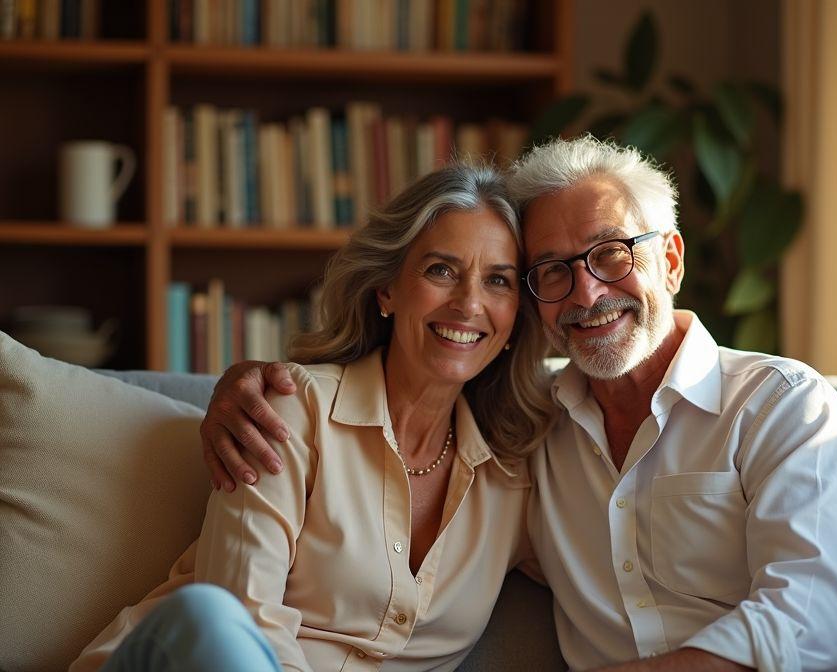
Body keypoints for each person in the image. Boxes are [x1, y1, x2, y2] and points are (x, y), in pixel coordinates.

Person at [203, 137, 837, 672]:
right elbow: (229, 623)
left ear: (670, 261)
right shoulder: (530, 436)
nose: (585, 295)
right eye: (552, 270)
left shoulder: (780, 406)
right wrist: (238, 385)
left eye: (611, 254)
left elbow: (811, 620)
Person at [70, 163, 556, 672]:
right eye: (441, 270)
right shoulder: (291, 408)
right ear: (387, 290)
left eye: (497, 281)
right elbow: (241, 611)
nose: (469, 303)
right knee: (210, 615)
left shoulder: (515, 473)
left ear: (515, 316)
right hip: (198, 657)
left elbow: (611, 564)